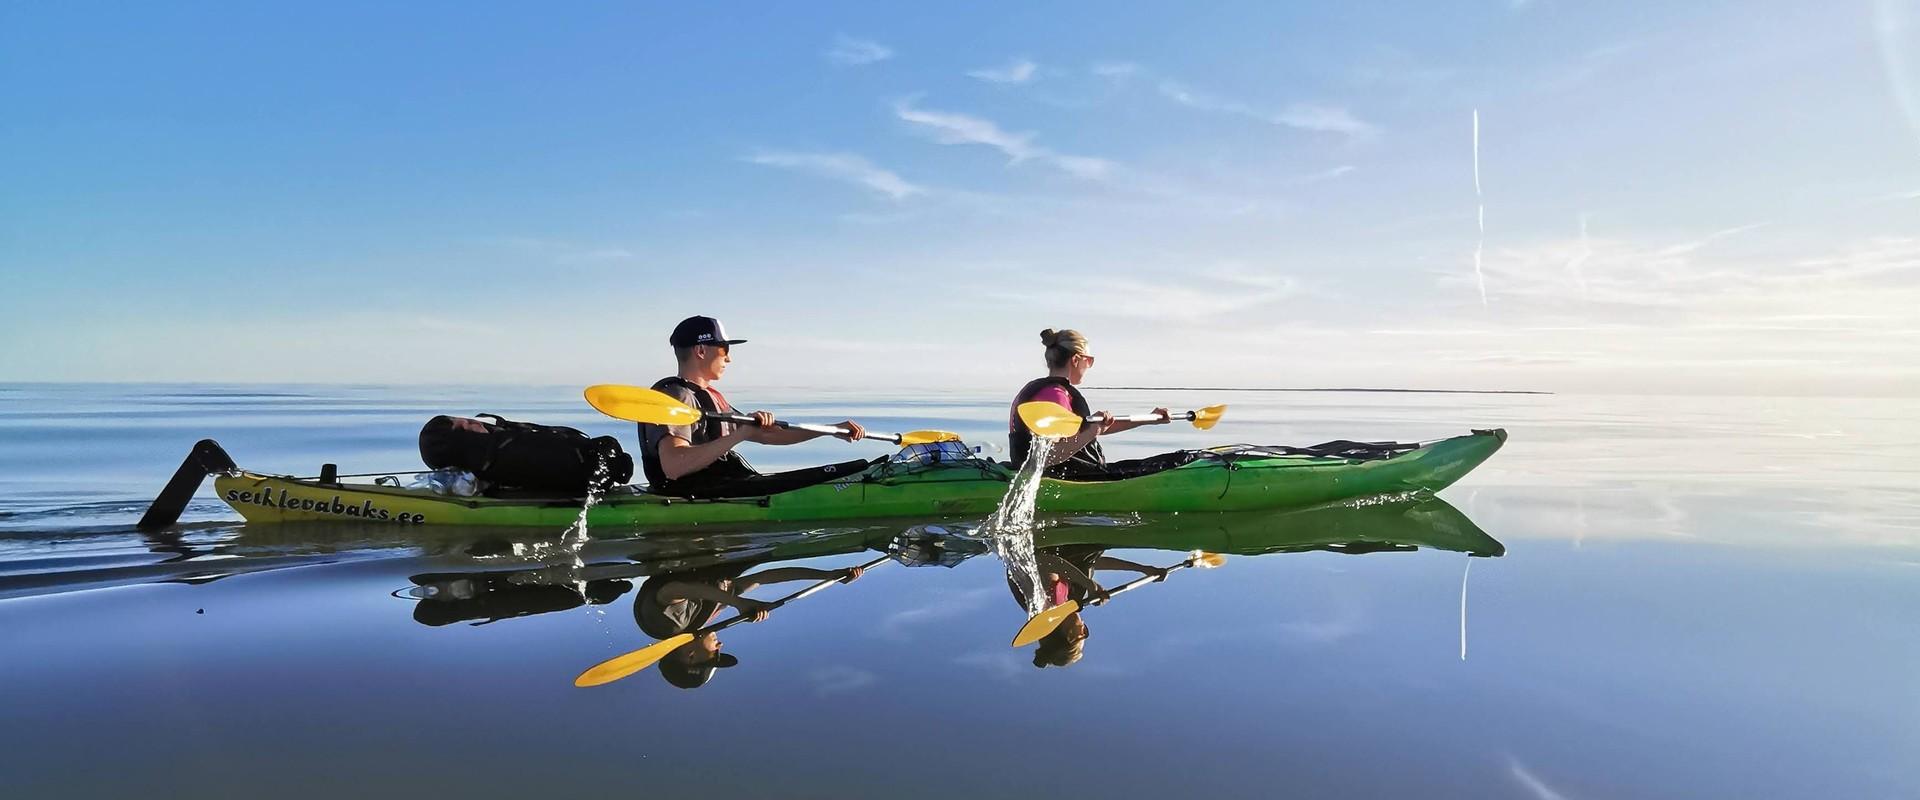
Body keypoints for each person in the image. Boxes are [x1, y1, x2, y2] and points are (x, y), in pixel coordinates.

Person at [640, 316, 870, 498]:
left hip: (721, 486)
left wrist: (831, 430)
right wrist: (740, 435)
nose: (728, 359)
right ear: (701, 351)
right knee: (834, 476)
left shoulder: (708, 397)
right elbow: (674, 466)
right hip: (692, 493)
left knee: (840, 472)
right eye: (724, 350)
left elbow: (771, 435)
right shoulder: (676, 396)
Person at [635, 560, 866, 689]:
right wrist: (829, 574)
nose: (720, 646)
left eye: (714, 656)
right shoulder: (708, 615)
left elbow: (673, 589)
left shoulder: (666, 626)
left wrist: (738, 602)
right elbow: (765, 577)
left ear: (691, 658)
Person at [1008, 328, 1171, 478]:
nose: (1089, 366)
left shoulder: (1043, 389)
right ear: (1076, 360)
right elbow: (1048, 456)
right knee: (1174, 462)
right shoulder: (1055, 395)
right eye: (1089, 360)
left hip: (1073, 473)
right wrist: (1092, 431)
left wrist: (1148, 419)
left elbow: (1085, 431)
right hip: (1070, 478)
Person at [1008, 544, 1171, 668]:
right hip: (1066, 546)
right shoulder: (1066, 601)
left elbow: (1045, 562)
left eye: (1084, 633)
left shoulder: (1045, 604)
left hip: (1047, 542)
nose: (1084, 626)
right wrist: (1142, 569)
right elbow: (1090, 562)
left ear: (1072, 635)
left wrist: (1089, 584)